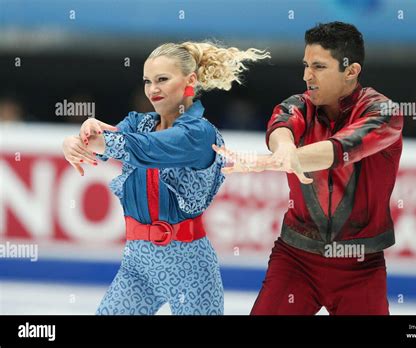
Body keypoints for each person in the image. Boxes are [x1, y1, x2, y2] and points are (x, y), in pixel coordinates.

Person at [62, 41, 270, 315]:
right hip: (137, 266)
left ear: (190, 81)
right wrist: (74, 142)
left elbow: (146, 149)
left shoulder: (199, 134)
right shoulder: (139, 123)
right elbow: (101, 147)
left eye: (162, 79)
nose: (152, 89)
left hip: (189, 269)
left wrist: (103, 141)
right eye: (148, 81)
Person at [214, 22, 404, 315]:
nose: (307, 76)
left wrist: (275, 161)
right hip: (295, 261)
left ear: (351, 71)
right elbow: (280, 129)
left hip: (361, 267)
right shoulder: (297, 106)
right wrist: (284, 150)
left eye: (318, 66)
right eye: (305, 65)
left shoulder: (384, 113)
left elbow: (340, 150)